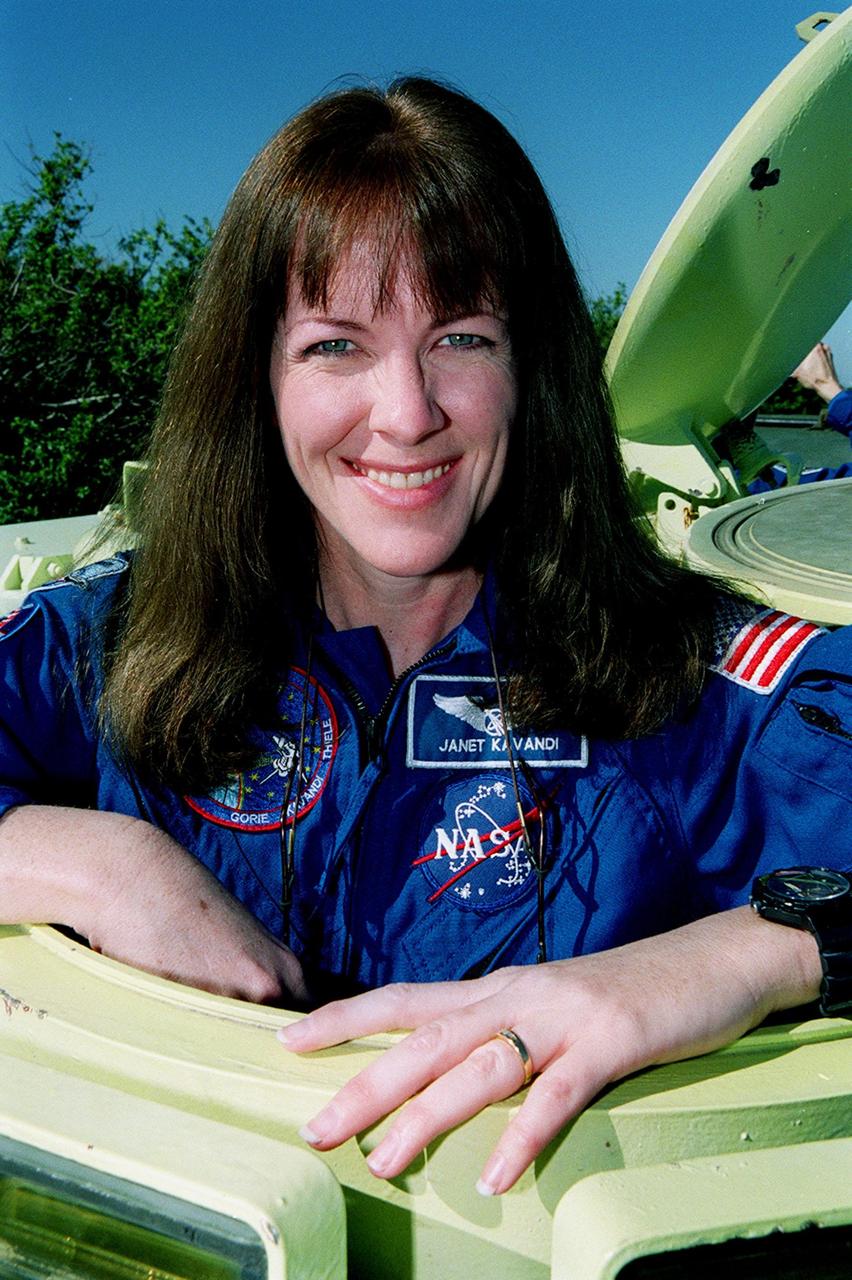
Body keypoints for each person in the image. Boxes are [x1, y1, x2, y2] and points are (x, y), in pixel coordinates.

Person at [0, 78, 850, 1199]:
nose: (406, 413)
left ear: (530, 367)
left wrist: (744, 955)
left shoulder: (680, 676)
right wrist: (104, 862)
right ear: (256, 377)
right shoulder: (110, 639)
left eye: (459, 336)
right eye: (337, 347)